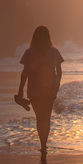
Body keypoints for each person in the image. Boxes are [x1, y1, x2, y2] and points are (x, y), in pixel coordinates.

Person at [15, 25, 63, 156]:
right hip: (49, 90)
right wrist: (56, 88)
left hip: (34, 90)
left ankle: (43, 145)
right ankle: (44, 145)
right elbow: (59, 73)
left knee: (39, 118)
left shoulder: (29, 53)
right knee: (46, 118)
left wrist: (20, 92)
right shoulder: (54, 52)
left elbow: (24, 74)